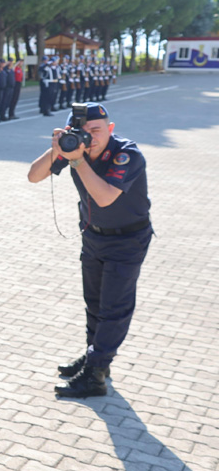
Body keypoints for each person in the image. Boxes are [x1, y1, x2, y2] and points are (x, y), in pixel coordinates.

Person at [26, 102, 152, 398]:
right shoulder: (74, 149)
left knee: (114, 309)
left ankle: (95, 375)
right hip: (93, 237)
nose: (89, 137)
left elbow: (106, 197)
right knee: (93, 303)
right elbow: (33, 175)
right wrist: (58, 148)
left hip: (128, 240)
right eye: (82, 132)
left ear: (110, 129)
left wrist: (77, 161)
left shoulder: (126, 154)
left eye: (96, 130)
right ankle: (95, 357)